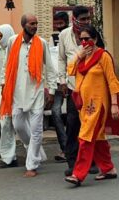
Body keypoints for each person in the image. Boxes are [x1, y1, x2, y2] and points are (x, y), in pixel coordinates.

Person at [64, 25, 119, 187]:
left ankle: (78, 174)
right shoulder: (83, 57)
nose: (84, 42)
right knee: (97, 137)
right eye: (81, 39)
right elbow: (70, 70)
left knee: (85, 137)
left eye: (87, 39)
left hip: (99, 105)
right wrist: (79, 56)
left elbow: (112, 81)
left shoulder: (103, 56)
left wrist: (113, 105)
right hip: (84, 106)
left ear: (95, 39)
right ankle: (108, 168)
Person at [0, 13, 56, 177]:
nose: (34, 26)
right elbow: (6, 64)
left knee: (37, 130)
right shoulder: (12, 42)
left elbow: (50, 68)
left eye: (36, 23)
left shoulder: (42, 43)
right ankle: (37, 152)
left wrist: (51, 91)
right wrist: (3, 83)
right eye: (32, 23)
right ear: (23, 25)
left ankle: (31, 165)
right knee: (18, 125)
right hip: (17, 92)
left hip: (36, 91)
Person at [58, 6, 92, 176]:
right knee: (72, 125)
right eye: (83, 19)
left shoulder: (93, 34)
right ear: (75, 19)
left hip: (91, 89)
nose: (86, 22)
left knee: (90, 125)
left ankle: (91, 161)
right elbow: (61, 59)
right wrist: (62, 81)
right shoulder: (64, 35)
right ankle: (72, 162)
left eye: (88, 19)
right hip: (73, 88)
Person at [50, 12, 70, 161]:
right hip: (58, 82)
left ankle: (72, 148)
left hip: (74, 82)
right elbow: (52, 61)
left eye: (60, 23)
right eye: (56, 23)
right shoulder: (53, 39)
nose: (58, 26)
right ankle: (65, 148)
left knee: (72, 116)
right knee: (56, 113)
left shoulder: (73, 37)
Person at [0, 24, 15, 149]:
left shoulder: (16, 48)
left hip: (16, 89)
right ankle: (8, 153)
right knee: (4, 121)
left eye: (1, 36)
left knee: (18, 122)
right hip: (2, 90)